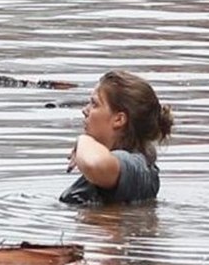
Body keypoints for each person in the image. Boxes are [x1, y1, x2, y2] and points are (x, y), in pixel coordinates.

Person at [61, 71, 173, 205]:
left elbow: (95, 164)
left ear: (119, 119)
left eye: (94, 104)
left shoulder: (135, 165)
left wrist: (84, 141)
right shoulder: (139, 166)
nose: (85, 110)